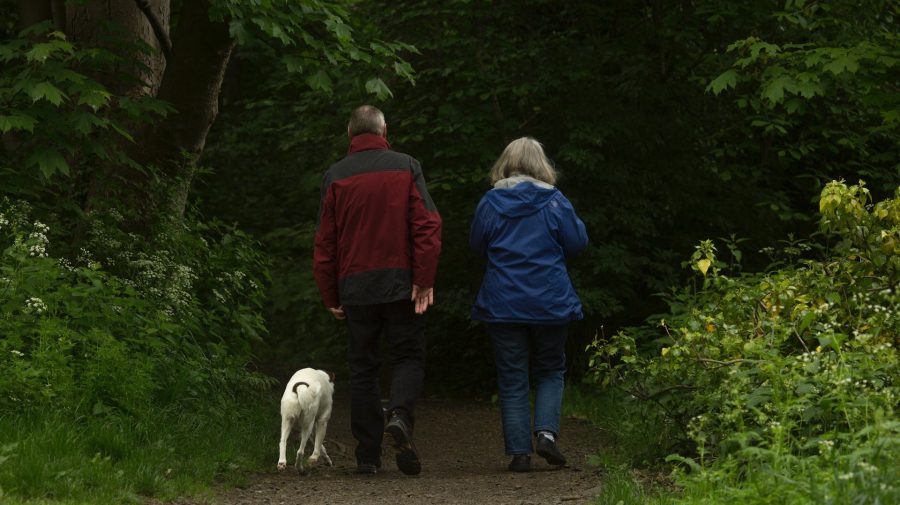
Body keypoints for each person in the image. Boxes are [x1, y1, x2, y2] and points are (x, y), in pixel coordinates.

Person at [313, 105, 442, 475]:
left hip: (355, 285)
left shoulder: (335, 175)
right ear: (385, 129)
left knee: (363, 368)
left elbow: (325, 242)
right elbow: (427, 225)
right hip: (401, 281)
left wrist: (330, 293)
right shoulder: (406, 166)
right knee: (408, 356)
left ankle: (368, 455)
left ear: (349, 133)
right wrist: (424, 278)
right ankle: (399, 415)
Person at [469, 137, 588, 472]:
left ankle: (520, 453)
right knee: (551, 369)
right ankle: (547, 435)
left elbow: (477, 244)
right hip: (549, 299)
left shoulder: (490, 203)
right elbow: (577, 243)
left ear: (505, 164)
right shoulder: (556, 201)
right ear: (541, 165)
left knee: (512, 376)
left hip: (503, 301)